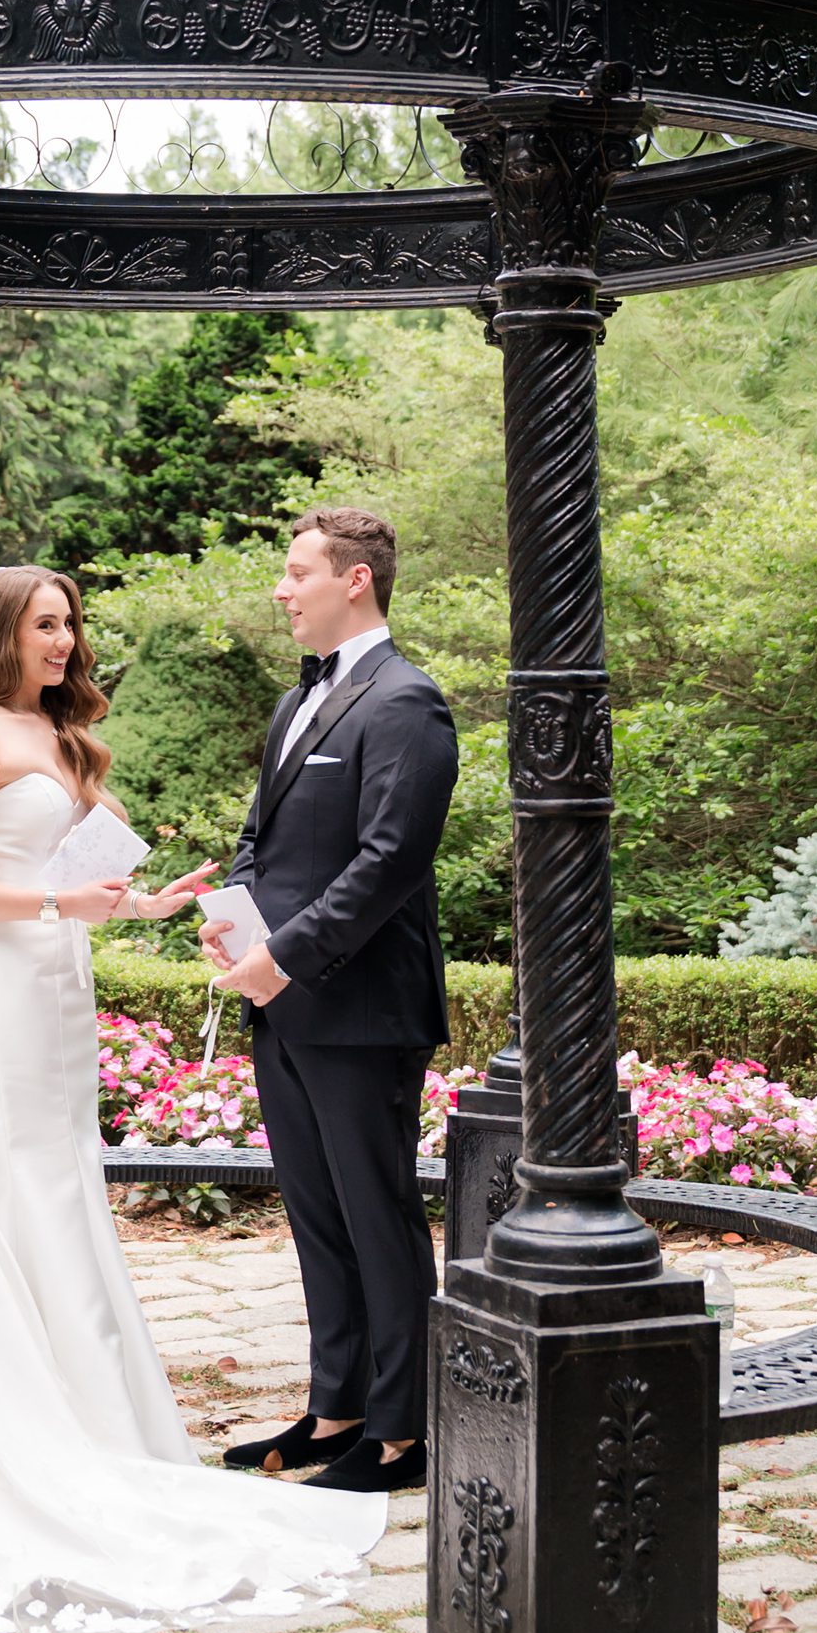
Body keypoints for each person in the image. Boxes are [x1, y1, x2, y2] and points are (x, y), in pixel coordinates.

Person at [0, 564, 384, 1630]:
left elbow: (71, 875)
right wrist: (59, 896)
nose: (66, 640)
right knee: (7, 1165)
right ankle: (9, 1407)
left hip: (56, 978)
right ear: (2, 634)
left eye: (70, 624)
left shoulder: (59, 737)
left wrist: (140, 901)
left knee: (61, 1165)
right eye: (47, 624)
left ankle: (80, 1399)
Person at [201, 508, 459, 1497]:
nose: (282, 588)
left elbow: (391, 859)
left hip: (361, 1010)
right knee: (317, 1217)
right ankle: (338, 1406)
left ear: (354, 581)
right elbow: (263, 838)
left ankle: (402, 1432)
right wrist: (237, 918)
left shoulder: (407, 703)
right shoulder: (294, 703)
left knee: (377, 1214)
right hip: (286, 1003)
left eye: (297, 571)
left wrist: (290, 956)